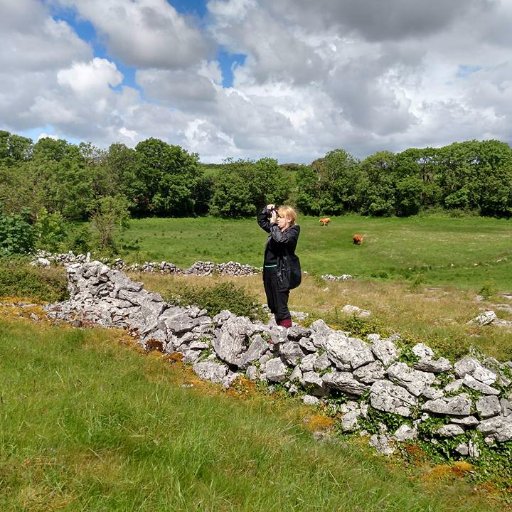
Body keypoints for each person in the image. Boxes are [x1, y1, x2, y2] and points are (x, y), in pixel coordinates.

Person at [257, 203, 301, 328]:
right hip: (269, 271)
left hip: (281, 272)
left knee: (281, 304)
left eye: (280, 217)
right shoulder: (276, 228)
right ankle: (279, 331)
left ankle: (285, 333)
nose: (277, 219)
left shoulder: (293, 231)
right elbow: (261, 221)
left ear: (289, 218)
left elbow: (281, 240)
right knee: (273, 304)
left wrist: (272, 224)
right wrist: (266, 210)